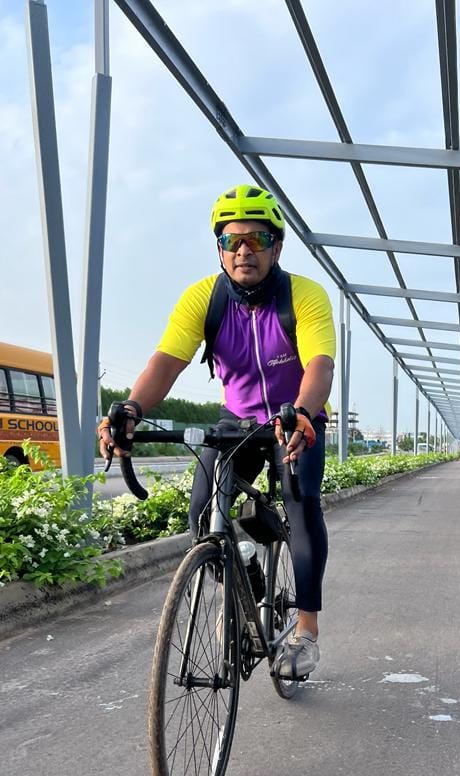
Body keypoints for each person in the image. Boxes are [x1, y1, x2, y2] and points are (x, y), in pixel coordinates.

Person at [98, 184, 336, 679]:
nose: (244, 250)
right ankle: (243, 563)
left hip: (297, 420)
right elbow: (165, 363)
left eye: (257, 239)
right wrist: (133, 408)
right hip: (239, 423)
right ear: (220, 250)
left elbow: (319, 364)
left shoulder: (305, 295)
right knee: (202, 509)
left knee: (300, 502)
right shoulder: (202, 299)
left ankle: (306, 631)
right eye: (232, 242)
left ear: (277, 246)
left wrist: (305, 414)